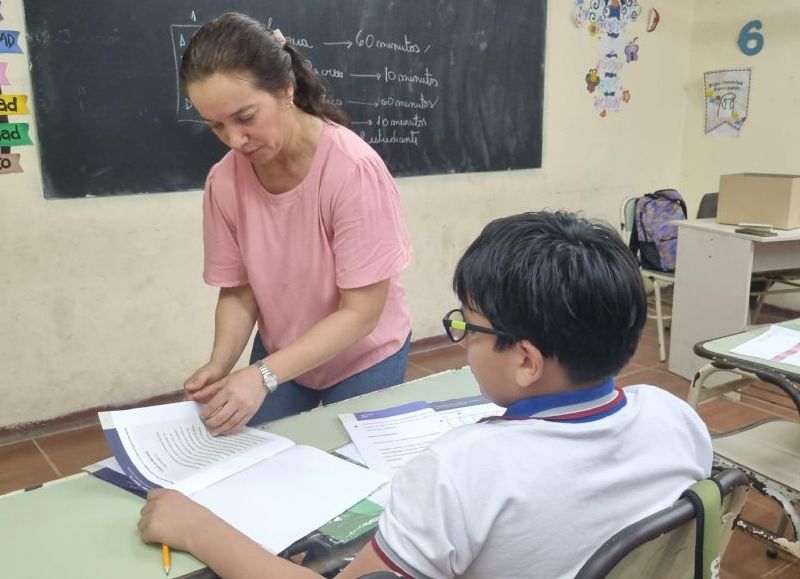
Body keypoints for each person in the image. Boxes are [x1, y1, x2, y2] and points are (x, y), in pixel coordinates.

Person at [139, 211, 713, 578]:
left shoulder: (460, 470)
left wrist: (197, 529)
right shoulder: (675, 416)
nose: (461, 343)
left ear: (526, 360)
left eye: (469, 328)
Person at [179, 12, 412, 434]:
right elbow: (238, 288)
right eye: (216, 126)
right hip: (283, 350)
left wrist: (263, 375)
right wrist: (221, 363)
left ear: (286, 91)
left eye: (246, 117)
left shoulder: (351, 171)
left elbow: (361, 314)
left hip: (362, 354)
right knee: (258, 456)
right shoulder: (224, 181)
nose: (234, 140)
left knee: (352, 473)